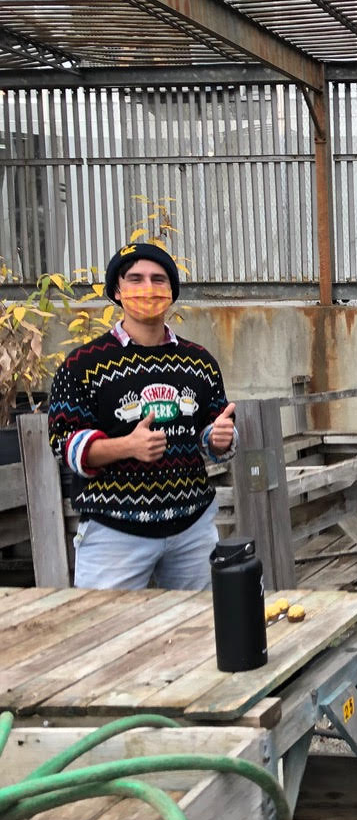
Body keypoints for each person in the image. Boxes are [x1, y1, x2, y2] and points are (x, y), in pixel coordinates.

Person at [47, 242, 238, 589]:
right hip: (114, 533)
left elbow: (214, 430)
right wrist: (127, 446)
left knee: (202, 632)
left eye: (158, 279)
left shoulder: (199, 362)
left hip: (192, 530)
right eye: (135, 279)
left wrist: (218, 438)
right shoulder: (83, 365)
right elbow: (66, 445)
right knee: (104, 635)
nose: (147, 289)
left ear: (171, 292)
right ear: (117, 291)